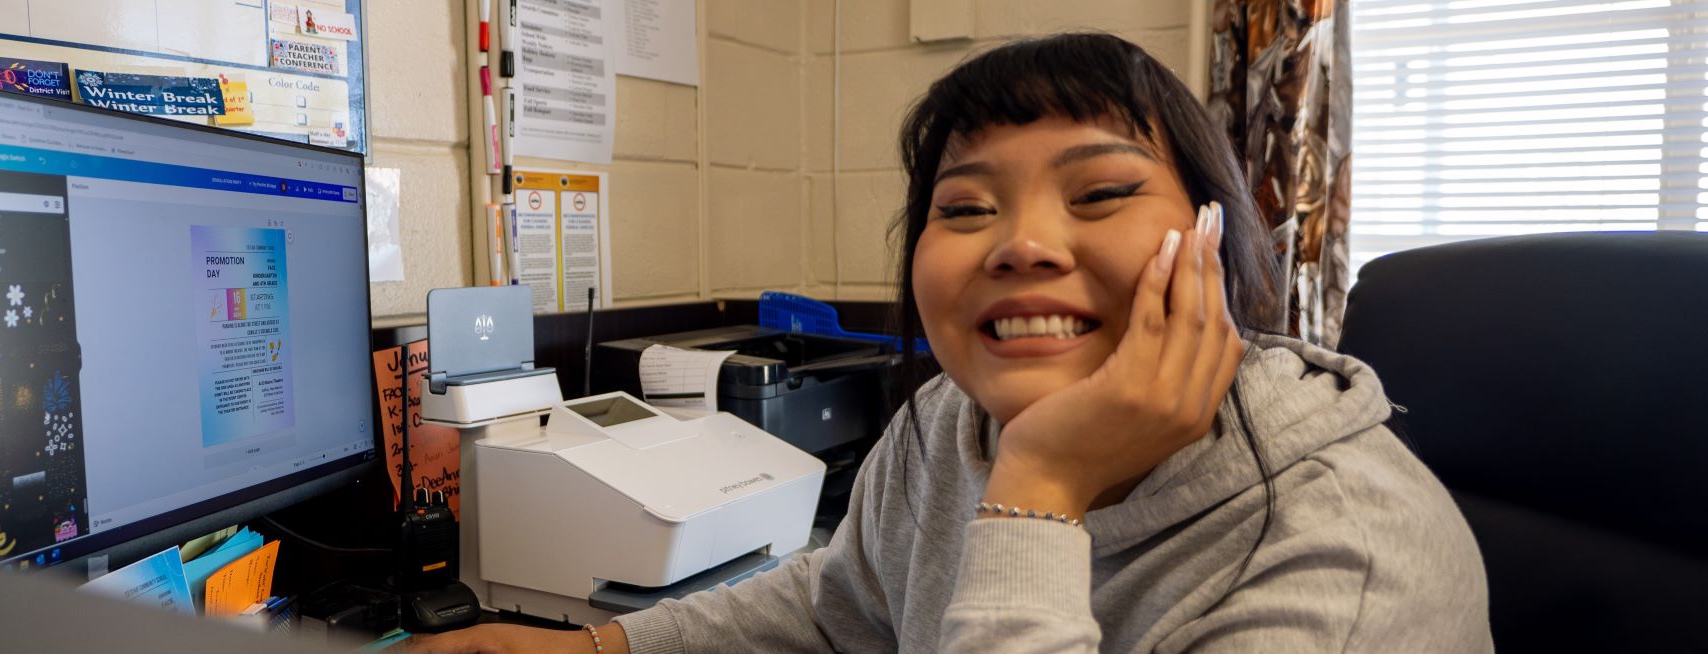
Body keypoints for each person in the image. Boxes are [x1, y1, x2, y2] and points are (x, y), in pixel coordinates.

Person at [412, 33, 1492, 653]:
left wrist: (1040, 493)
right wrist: (601, 648)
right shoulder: (950, 424)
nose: (1021, 244)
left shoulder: (1344, 568)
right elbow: (838, 606)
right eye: (965, 208)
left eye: (1100, 193)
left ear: (1218, 235)